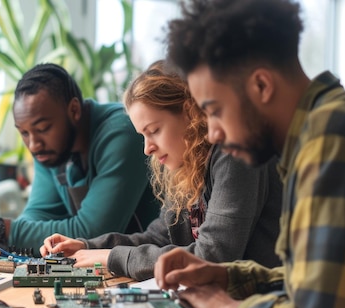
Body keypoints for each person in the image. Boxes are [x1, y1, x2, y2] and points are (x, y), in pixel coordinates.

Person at [154, 0, 345, 308]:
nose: (212, 134)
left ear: (261, 85)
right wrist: (226, 276)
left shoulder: (336, 142)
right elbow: (323, 281)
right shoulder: (337, 123)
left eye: (214, 111)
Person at [40, 61, 282, 281]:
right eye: (143, 135)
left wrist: (112, 257)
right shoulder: (187, 164)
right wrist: (86, 247)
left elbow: (213, 255)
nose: (147, 149)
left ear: (191, 112)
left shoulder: (235, 153)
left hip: (259, 304)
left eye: (154, 130)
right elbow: (159, 237)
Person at [0, 63, 159, 251]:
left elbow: (93, 231)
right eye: (24, 133)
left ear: (74, 111)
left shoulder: (121, 132)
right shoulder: (52, 150)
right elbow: (39, 213)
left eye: (43, 128)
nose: (34, 144)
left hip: (149, 267)